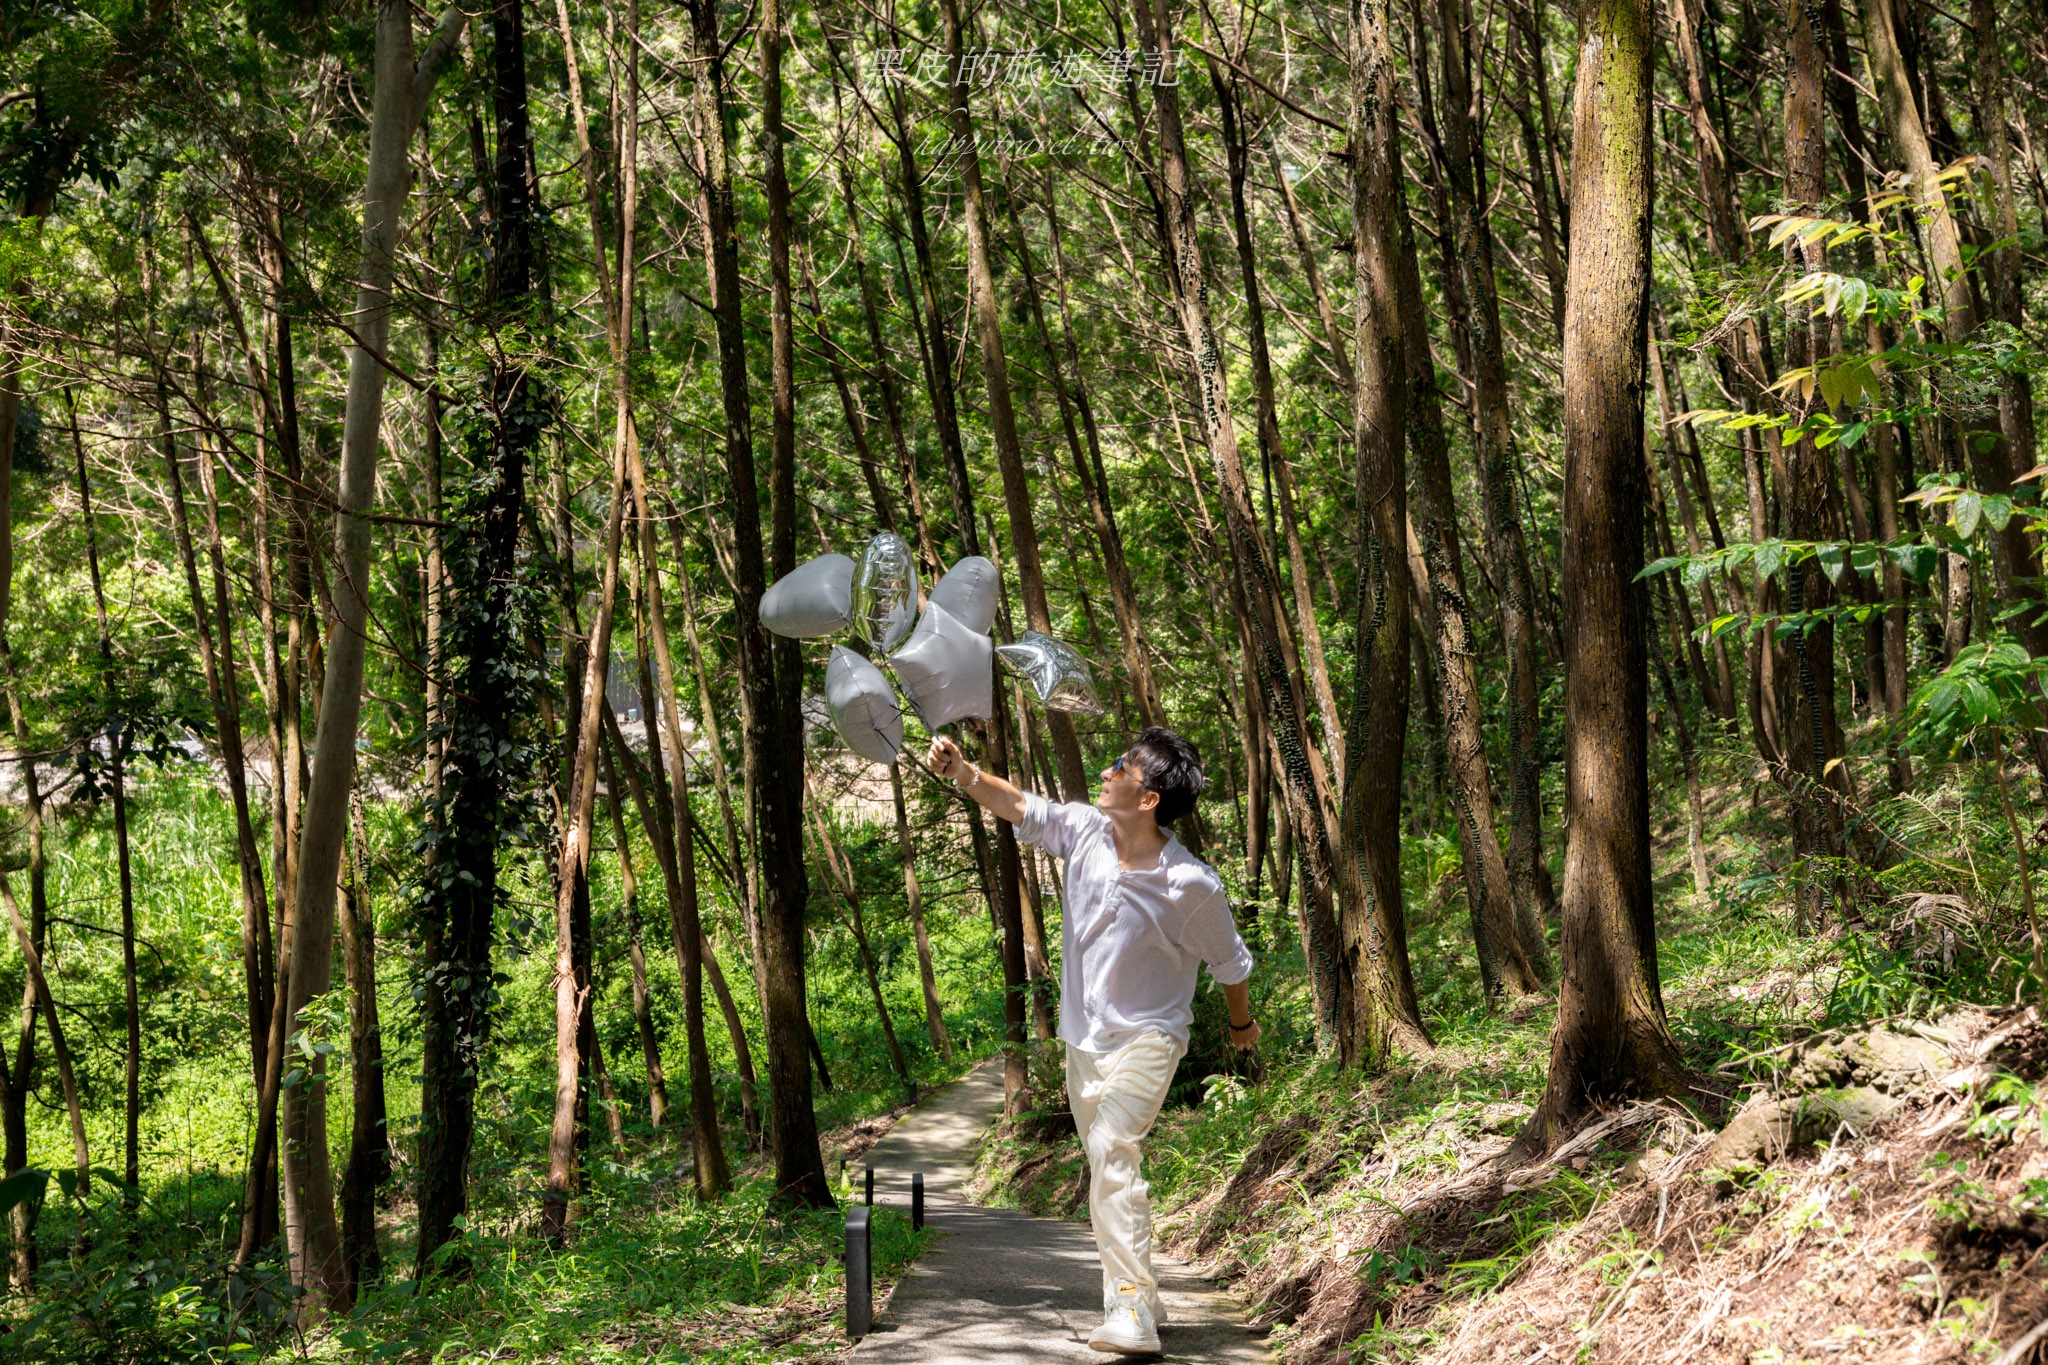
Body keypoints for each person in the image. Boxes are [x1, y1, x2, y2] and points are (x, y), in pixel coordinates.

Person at [926, 726, 1260, 1355]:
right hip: (1083, 1041)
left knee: (1111, 1146)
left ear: (1149, 798)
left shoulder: (1192, 884)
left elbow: (1232, 966)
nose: (1107, 772)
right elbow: (1021, 806)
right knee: (1107, 1165)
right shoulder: (1083, 831)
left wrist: (1241, 1026)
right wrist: (963, 772)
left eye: (1121, 768)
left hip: (1152, 1037)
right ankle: (1143, 1293)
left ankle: (1130, 1310)